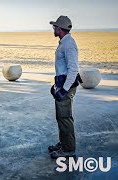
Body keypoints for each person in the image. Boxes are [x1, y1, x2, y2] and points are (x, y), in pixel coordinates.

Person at [49, 15, 82, 159]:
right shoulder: (63, 42)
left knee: (65, 117)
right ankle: (64, 143)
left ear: (60, 28)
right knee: (61, 117)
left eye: (55, 27)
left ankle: (68, 149)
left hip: (66, 86)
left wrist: (64, 89)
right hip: (62, 84)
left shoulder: (68, 44)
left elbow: (73, 69)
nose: (54, 29)